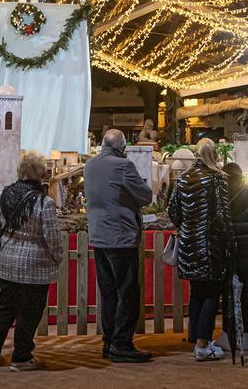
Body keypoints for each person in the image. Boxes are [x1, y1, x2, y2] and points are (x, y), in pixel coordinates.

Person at [0, 151, 64, 372]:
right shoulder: (44, 202)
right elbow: (52, 237)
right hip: (35, 264)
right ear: (39, 173)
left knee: (5, 306)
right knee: (30, 310)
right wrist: (57, 258)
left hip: (8, 261)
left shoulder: (3, 194)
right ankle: (21, 356)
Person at [83, 129, 153, 363]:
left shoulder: (90, 166)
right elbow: (145, 196)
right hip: (121, 236)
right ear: (122, 146)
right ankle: (122, 344)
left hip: (98, 236)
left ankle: (109, 341)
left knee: (108, 292)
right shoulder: (123, 166)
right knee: (127, 291)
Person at [168, 139, 232, 362]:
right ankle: (203, 344)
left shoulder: (183, 179)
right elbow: (224, 216)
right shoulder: (218, 179)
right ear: (214, 155)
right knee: (212, 294)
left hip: (188, 243)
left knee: (196, 291)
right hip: (211, 243)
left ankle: (195, 337)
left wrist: (186, 227)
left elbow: (173, 211)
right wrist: (229, 243)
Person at [223, 157, 248, 353]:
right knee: (245, 290)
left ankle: (230, 335)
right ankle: (247, 335)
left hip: (228, 249)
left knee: (229, 291)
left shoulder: (222, 194)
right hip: (245, 249)